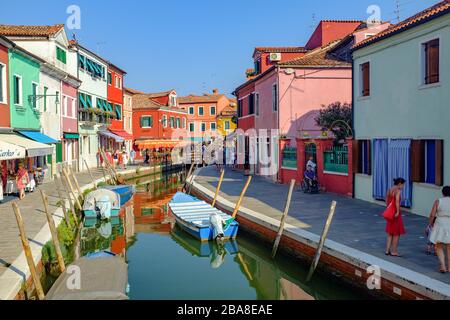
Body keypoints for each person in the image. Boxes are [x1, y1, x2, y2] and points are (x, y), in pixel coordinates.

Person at [427, 186, 450, 273]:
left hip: (440, 224)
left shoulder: (438, 201)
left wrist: (429, 224)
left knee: (438, 245)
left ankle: (443, 266)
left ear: (443, 193)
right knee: (449, 247)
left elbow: (432, 215)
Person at [385, 178, 406, 257]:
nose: (403, 186)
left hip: (390, 213)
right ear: (400, 184)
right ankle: (394, 251)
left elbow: (386, 200)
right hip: (395, 214)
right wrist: (397, 211)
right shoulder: (398, 191)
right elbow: (397, 201)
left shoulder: (390, 189)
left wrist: (388, 208)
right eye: (403, 184)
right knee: (396, 233)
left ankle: (387, 250)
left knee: (390, 233)